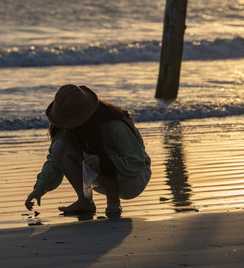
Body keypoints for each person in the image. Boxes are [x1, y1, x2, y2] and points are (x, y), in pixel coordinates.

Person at [25, 84, 151, 217]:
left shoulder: (115, 125)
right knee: (60, 146)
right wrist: (39, 188)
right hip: (104, 174)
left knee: (95, 149)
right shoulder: (65, 128)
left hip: (134, 179)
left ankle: (113, 201)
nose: (67, 126)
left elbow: (135, 163)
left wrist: (103, 161)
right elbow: (54, 159)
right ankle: (84, 201)